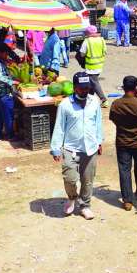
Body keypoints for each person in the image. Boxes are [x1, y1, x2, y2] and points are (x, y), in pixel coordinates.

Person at [51, 73, 104, 219]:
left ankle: (85, 206)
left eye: (87, 88)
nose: (85, 91)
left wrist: (99, 141)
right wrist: (55, 148)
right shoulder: (65, 105)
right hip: (71, 148)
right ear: (74, 88)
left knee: (88, 180)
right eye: (81, 88)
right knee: (70, 179)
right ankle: (72, 197)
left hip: (90, 148)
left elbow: (98, 123)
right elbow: (59, 127)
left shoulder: (94, 102)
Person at [109, 76, 137, 211]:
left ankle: (127, 201)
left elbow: (113, 119)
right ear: (136, 88)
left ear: (123, 88)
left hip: (122, 143)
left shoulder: (116, 104)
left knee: (124, 170)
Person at [75, 25, 108, 107]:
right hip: (99, 65)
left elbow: (82, 54)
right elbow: (105, 52)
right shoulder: (101, 40)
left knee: (94, 83)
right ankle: (89, 99)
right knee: (90, 83)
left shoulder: (87, 41)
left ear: (87, 33)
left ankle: (104, 100)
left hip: (91, 66)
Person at [0, 42, 17, 140]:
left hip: (2, 93)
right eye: (5, 53)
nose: (7, 55)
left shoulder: (1, 61)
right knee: (8, 115)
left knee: (0, 115)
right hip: (3, 93)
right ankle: (10, 135)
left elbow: (6, 74)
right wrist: (12, 82)